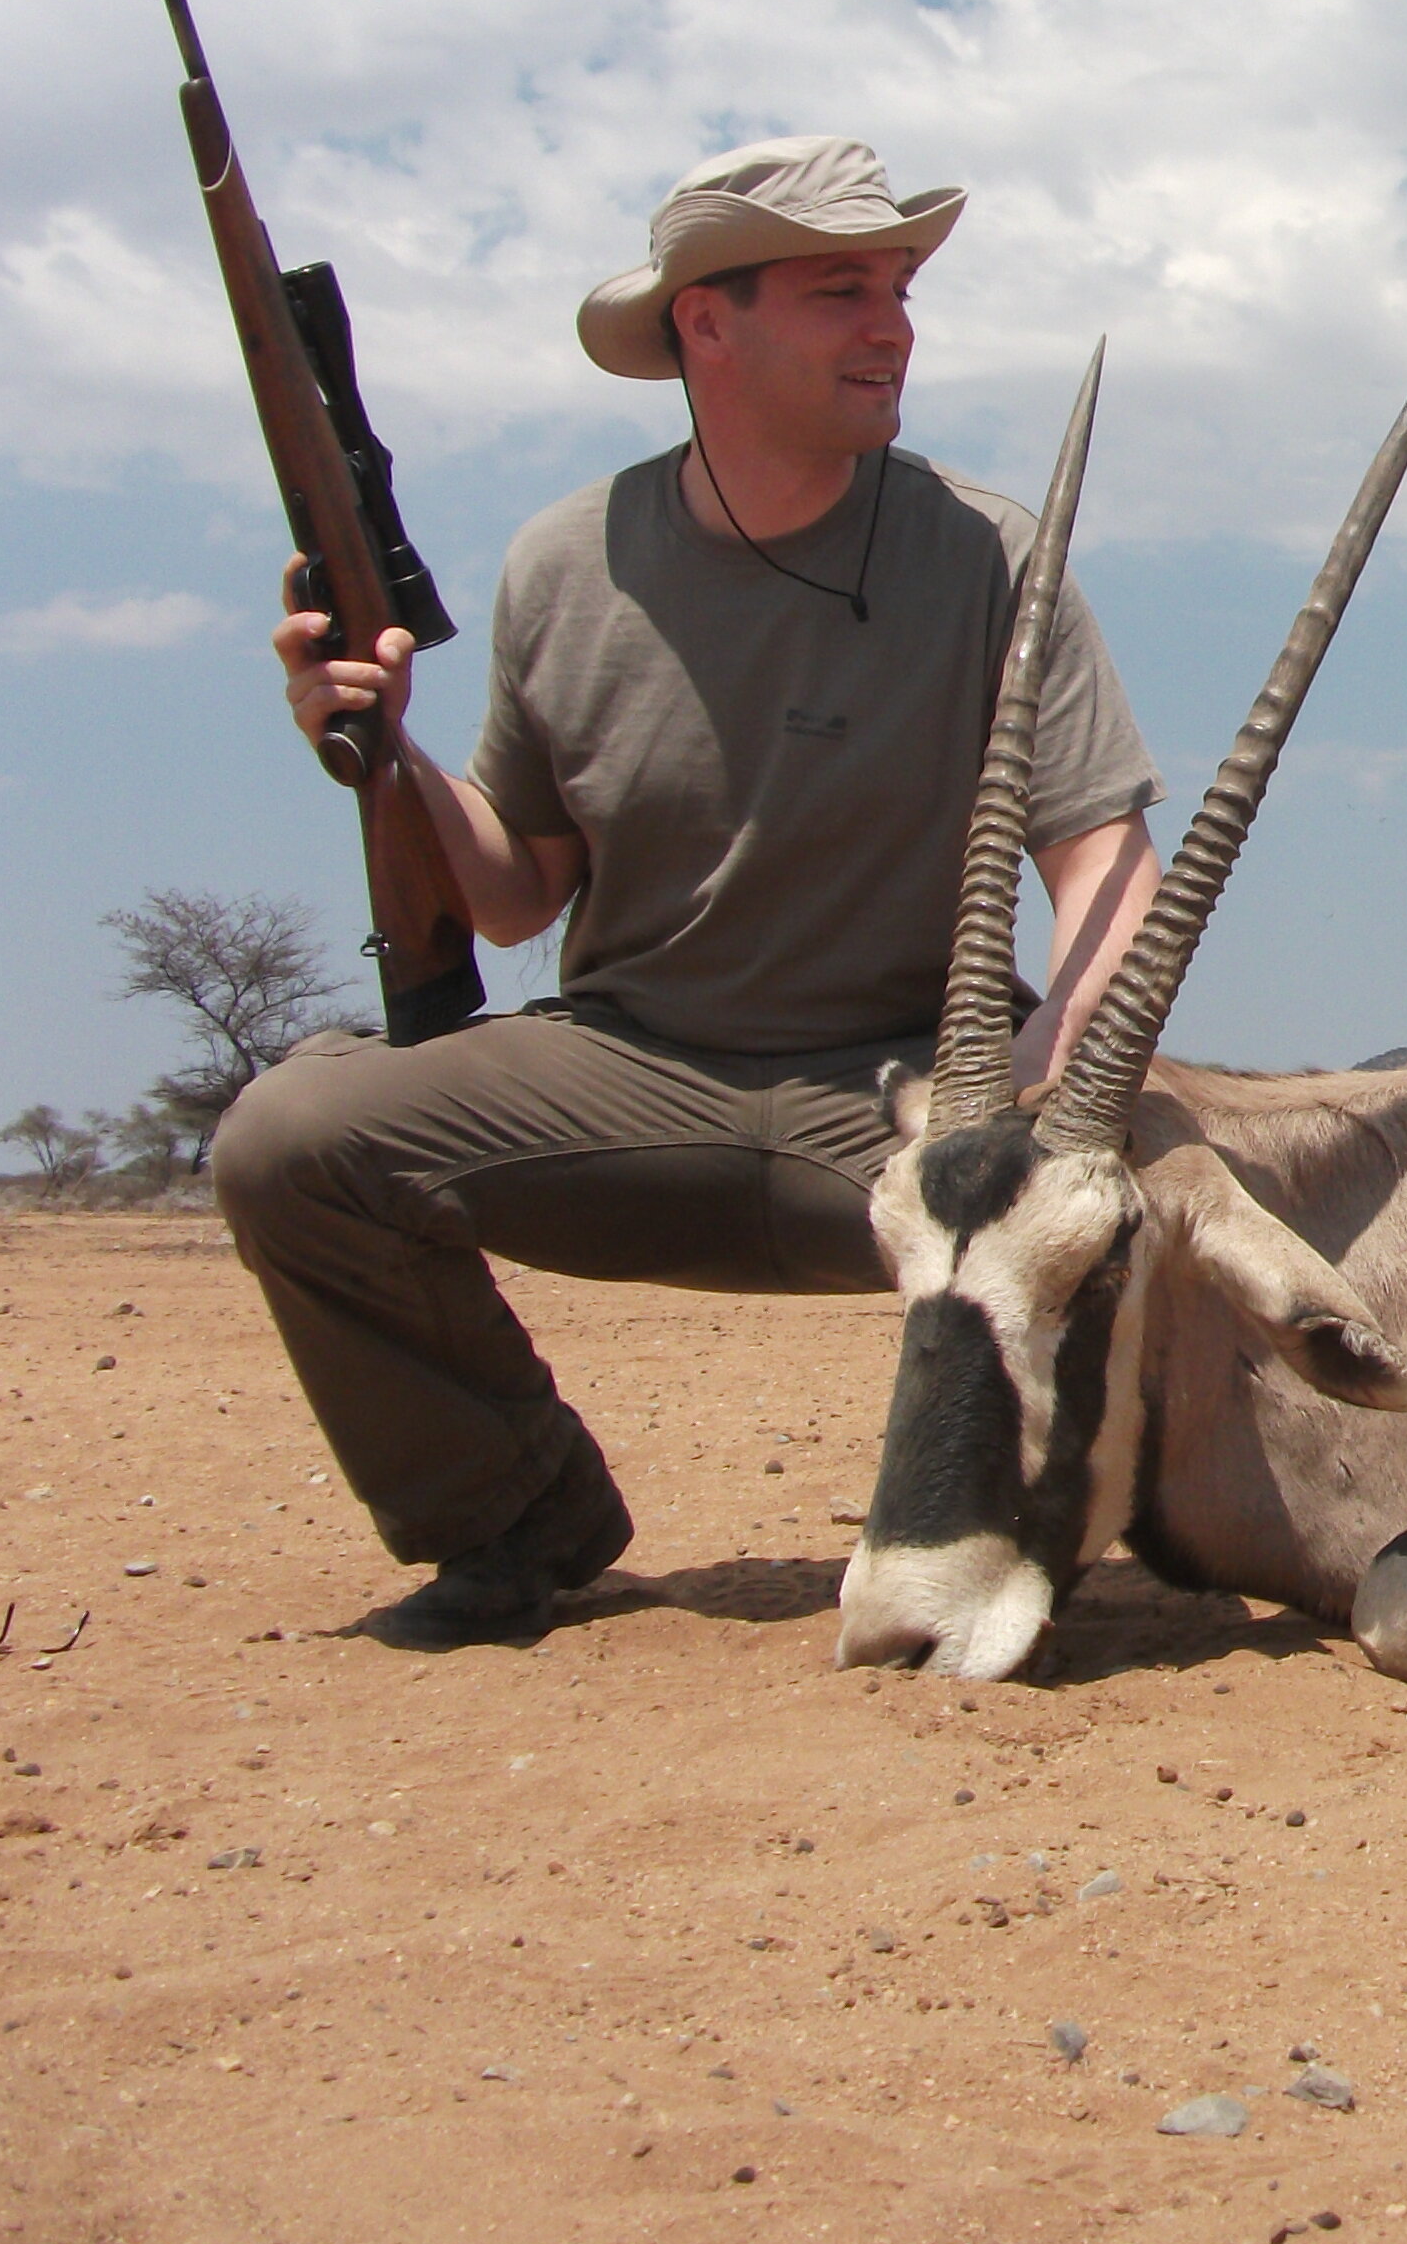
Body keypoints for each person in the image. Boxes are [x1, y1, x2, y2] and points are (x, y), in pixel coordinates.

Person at [211, 137, 1164, 1648]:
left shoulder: (988, 550)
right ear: (703, 326)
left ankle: (1202, 1518)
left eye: (903, 287)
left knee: (1178, 1181)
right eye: (841, 288)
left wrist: (1045, 1091)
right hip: (629, 1081)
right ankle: (517, 1523)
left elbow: (1103, 858)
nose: (893, 324)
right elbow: (518, 894)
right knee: (292, 1137)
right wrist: (384, 754)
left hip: (908, 1108)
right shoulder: (562, 562)